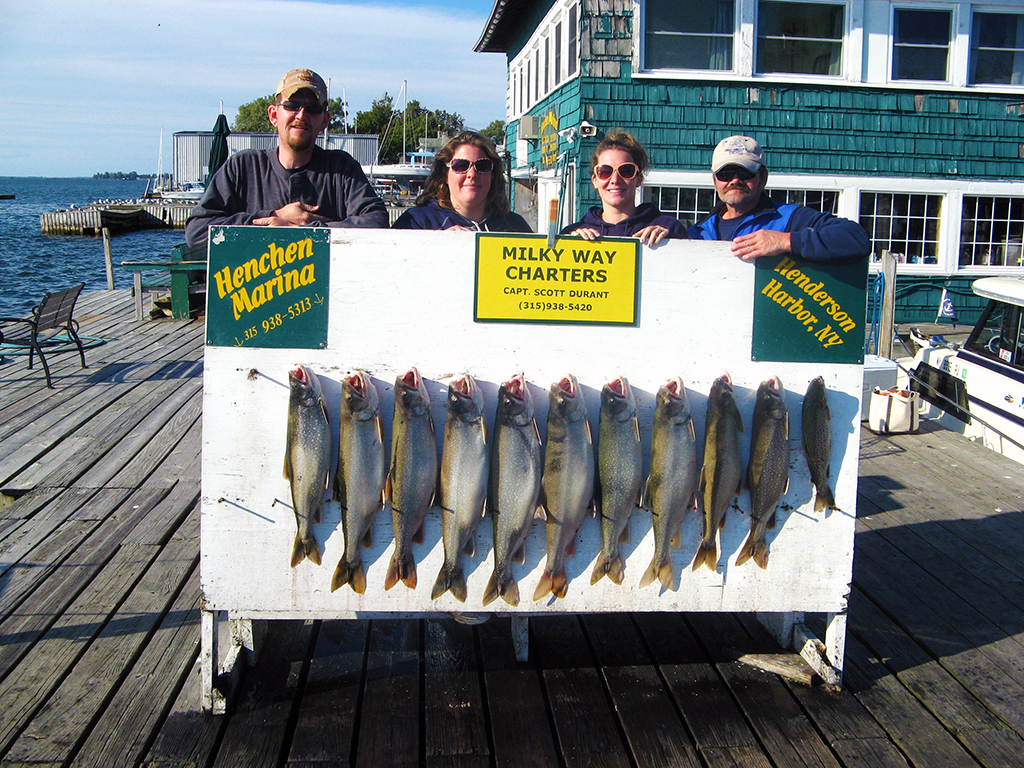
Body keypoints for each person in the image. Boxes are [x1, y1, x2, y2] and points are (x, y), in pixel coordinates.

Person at [185, 68, 388, 248]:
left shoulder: (342, 169)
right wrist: (273, 218)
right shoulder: (242, 167)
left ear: (324, 120)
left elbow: (376, 222)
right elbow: (197, 232)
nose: (301, 115)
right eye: (292, 105)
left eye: (313, 108)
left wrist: (305, 229)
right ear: (274, 115)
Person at [689, 135, 870, 263]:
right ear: (715, 181)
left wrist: (786, 241)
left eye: (745, 172)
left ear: (763, 178)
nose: (735, 180)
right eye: (726, 174)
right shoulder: (697, 233)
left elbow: (856, 238)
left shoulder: (790, 218)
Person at [560, 131, 688, 245]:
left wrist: (671, 241)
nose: (615, 180)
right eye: (605, 171)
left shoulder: (669, 228)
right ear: (595, 180)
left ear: (639, 179)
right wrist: (570, 248)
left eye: (626, 171)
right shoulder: (571, 234)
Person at [392, 131, 532, 232]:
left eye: (482, 166)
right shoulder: (416, 222)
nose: (472, 174)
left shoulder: (515, 226)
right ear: (445, 173)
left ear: (493, 175)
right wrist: (437, 244)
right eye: (460, 165)